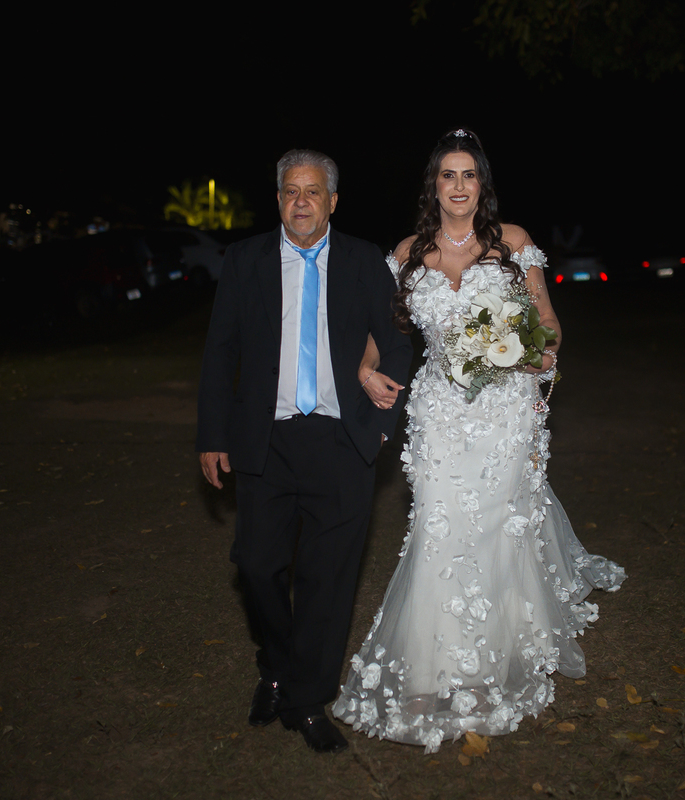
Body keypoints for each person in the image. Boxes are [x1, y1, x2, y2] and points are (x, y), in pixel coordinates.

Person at [332, 130, 625, 753]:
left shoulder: (513, 243)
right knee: (437, 529)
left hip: (504, 413)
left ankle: (485, 668)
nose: (459, 186)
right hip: (438, 413)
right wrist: (363, 367)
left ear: (481, 185)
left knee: (492, 531)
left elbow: (548, 324)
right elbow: (379, 329)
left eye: (469, 175)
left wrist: (536, 353)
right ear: (434, 186)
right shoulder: (407, 253)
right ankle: (425, 669)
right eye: (449, 175)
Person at [197, 149, 412, 753]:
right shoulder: (245, 260)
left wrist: (381, 420)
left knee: (328, 578)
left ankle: (307, 698)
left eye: (312, 191)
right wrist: (212, 435)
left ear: (333, 201)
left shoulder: (364, 261)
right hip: (266, 440)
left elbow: (398, 342)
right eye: (290, 191)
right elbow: (220, 351)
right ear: (278, 199)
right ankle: (275, 665)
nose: (301, 201)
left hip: (342, 441)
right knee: (257, 564)